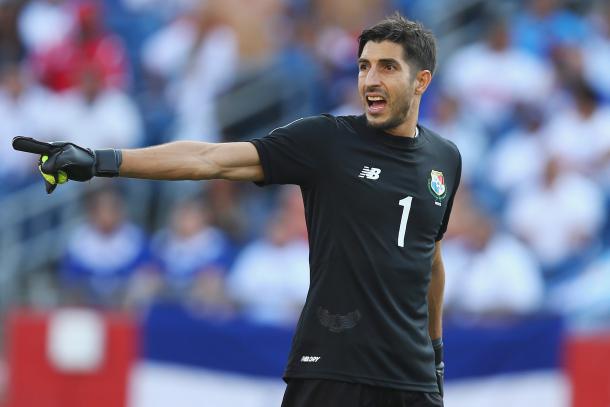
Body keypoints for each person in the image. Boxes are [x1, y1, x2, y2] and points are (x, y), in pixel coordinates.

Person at [13, 13, 460, 407]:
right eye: (364, 66)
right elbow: (209, 159)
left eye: (387, 67)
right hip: (334, 370)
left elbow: (430, 259)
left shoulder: (445, 159)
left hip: (412, 380)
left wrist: (436, 354)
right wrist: (102, 160)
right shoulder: (328, 141)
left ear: (421, 80)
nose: (370, 80)